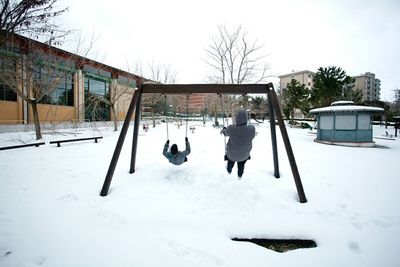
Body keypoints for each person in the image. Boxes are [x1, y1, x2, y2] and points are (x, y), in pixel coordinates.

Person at [220, 109, 255, 178]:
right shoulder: (251, 129)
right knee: (241, 164)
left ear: (236, 119)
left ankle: (229, 170)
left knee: (230, 161)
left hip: (231, 155)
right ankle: (240, 175)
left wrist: (224, 129)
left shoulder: (231, 128)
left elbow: (225, 133)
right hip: (245, 155)